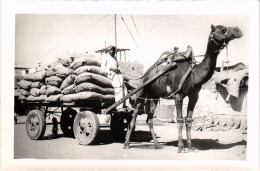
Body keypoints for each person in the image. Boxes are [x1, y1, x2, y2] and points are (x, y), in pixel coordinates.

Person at [101, 46, 132, 112]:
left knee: (124, 88)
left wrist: (119, 70)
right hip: (111, 75)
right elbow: (103, 68)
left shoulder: (114, 58)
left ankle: (127, 105)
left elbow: (118, 66)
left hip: (117, 74)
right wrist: (110, 68)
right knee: (118, 87)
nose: (112, 51)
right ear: (107, 50)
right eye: (110, 50)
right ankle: (119, 106)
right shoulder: (105, 57)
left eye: (113, 50)